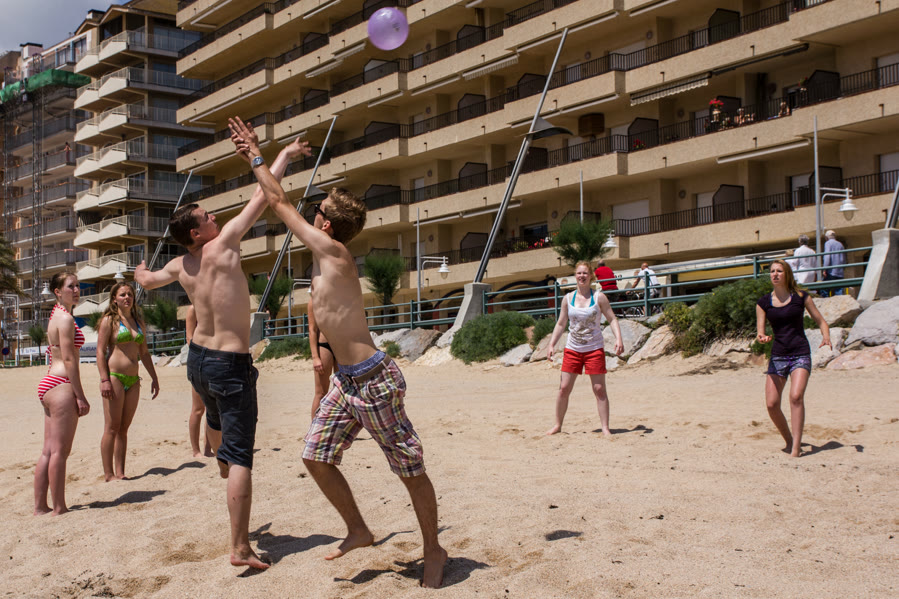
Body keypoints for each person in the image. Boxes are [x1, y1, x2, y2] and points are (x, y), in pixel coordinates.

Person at [229, 117, 448, 588]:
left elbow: (277, 201)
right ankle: (359, 530)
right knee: (315, 456)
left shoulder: (333, 252)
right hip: (347, 383)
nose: (310, 213)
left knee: (409, 470)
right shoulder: (324, 258)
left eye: (317, 209)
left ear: (326, 224)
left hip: (373, 378)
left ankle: (434, 549)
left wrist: (255, 155)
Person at [135, 122, 311, 571]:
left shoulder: (181, 264)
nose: (214, 217)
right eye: (207, 217)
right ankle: (239, 546)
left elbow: (149, 281)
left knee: (217, 425)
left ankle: (223, 471)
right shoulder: (225, 242)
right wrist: (283, 156)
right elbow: (264, 196)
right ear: (197, 233)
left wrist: (138, 273)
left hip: (197, 360)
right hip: (229, 362)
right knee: (241, 455)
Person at [756, 259, 830, 457]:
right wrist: (762, 338)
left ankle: (796, 447)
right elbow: (760, 332)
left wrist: (826, 336)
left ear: (787, 274)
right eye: (772, 271)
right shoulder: (763, 303)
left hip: (800, 353)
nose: (775, 274)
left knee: (796, 397)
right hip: (778, 356)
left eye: (779, 271)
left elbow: (821, 321)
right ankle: (788, 440)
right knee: (772, 404)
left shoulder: (801, 297)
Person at [545, 261, 624, 437]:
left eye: (585, 273)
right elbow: (561, 323)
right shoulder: (568, 299)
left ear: (591, 276)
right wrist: (551, 344)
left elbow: (612, 318)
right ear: (575, 275)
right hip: (573, 349)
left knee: (599, 389)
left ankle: (605, 427)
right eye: (579, 273)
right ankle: (557, 425)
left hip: (594, 348)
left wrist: (619, 338)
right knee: (564, 387)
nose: (582, 276)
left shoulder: (599, 297)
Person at [35, 271, 90, 515]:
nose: (76, 290)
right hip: (61, 383)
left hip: (49, 383)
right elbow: (69, 359)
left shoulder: (56, 315)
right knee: (60, 451)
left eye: (78, 286)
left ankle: (40, 507)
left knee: (48, 450)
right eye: (70, 286)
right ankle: (59, 507)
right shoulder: (66, 319)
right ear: (57, 292)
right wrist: (80, 395)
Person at [96, 282, 160, 481]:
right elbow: (100, 352)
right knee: (111, 427)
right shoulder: (109, 321)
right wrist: (104, 379)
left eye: (130, 294)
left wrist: (154, 377)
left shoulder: (138, 322)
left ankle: (121, 472)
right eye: (122, 294)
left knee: (123, 428)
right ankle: (108, 474)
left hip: (134, 379)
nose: (127, 298)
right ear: (114, 299)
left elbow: (145, 353)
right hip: (114, 376)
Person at [185, 305, 213, 457]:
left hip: (215, 360)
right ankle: (196, 450)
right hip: (199, 361)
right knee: (198, 408)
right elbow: (189, 338)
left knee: (212, 408)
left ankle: (208, 448)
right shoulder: (193, 309)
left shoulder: (215, 306)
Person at [307, 300, 336, 422]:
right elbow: (312, 330)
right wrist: (315, 358)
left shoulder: (339, 296)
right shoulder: (314, 301)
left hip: (341, 347)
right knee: (321, 393)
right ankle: (314, 428)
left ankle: (337, 426)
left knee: (342, 391)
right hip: (324, 346)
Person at [821, 229, 846, 296]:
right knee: (839, 291)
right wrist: (842, 268)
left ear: (826, 237)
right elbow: (843, 258)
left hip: (831, 272)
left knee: (824, 290)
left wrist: (824, 269)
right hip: (840, 272)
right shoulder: (840, 244)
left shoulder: (828, 243)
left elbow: (827, 257)